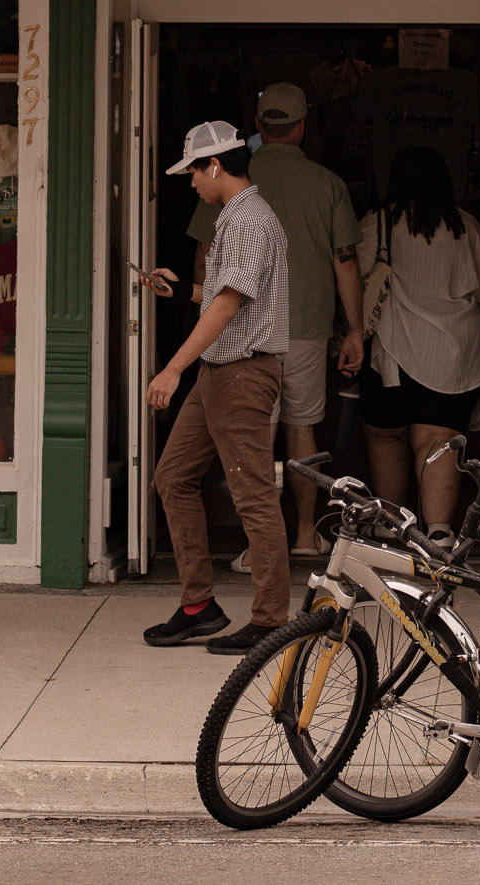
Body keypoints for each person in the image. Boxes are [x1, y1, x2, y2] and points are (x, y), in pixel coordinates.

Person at [188, 83, 362, 559]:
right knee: (301, 431)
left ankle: (257, 545)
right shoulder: (327, 184)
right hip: (306, 324)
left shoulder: (232, 177)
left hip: (245, 329)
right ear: (304, 126)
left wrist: (207, 315)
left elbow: (204, 258)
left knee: (256, 435)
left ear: (259, 126)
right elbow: (345, 261)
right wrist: (355, 329)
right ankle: (306, 535)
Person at [140, 121, 291, 655]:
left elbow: (228, 306)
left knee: (252, 497)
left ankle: (272, 620)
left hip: (241, 372)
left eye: (193, 172)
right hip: (222, 371)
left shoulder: (248, 219)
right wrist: (183, 288)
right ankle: (199, 608)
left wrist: (173, 367)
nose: (190, 184)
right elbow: (227, 295)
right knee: (173, 477)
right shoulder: (236, 216)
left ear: (215, 165)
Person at [356, 145, 480, 547]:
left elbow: (353, 282)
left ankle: (390, 522)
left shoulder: (378, 223)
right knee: (438, 442)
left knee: (386, 436)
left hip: (393, 352)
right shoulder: (465, 226)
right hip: (456, 353)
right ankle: (439, 532)